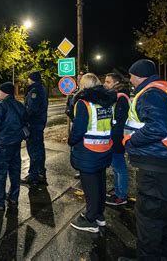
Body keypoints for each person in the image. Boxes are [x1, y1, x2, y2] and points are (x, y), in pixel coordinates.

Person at [123, 59, 167, 260]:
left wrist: (131, 142)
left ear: (139, 75)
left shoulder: (151, 92)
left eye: (131, 76)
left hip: (157, 161)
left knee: (149, 216)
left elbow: (157, 128)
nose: (131, 80)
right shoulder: (165, 89)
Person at [67, 73, 116, 233]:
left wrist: (71, 140)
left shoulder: (84, 103)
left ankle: (90, 219)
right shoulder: (107, 102)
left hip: (88, 150)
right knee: (100, 184)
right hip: (104, 148)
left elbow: (79, 129)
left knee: (90, 187)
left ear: (84, 86)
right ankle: (99, 216)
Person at [0, 82, 27, 210]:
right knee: (15, 171)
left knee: (0, 172)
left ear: (4, 92)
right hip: (16, 144)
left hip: (3, 144)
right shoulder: (20, 105)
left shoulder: (1, 105)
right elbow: (25, 122)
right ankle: (14, 198)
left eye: (0, 91)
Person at [103, 72, 130, 206]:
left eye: (108, 82)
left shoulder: (121, 98)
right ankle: (118, 189)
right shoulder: (116, 96)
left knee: (119, 167)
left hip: (117, 137)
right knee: (116, 166)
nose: (104, 84)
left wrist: (114, 138)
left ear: (116, 83)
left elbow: (119, 121)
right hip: (116, 136)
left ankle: (121, 196)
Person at [21, 71, 49, 186]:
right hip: (39, 124)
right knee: (39, 149)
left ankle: (34, 176)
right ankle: (41, 174)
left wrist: (23, 118)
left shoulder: (35, 91)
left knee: (34, 150)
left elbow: (31, 109)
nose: (28, 81)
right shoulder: (41, 89)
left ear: (32, 79)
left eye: (29, 79)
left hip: (34, 125)